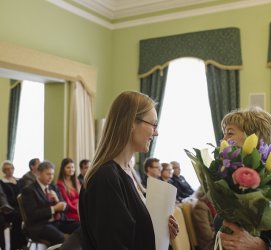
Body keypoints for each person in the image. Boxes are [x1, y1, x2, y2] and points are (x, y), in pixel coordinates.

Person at [79, 91, 179, 250]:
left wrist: (161, 233)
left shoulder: (129, 172)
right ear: (132, 122)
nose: (156, 132)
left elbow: (133, 231)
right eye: (153, 124)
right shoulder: (105, 178)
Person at [219, 106, 271, 250]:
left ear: (255, 137)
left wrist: (261, 247)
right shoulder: (229, 180)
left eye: (229, 133)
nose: (223, 139)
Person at [22, 161, 80, 246]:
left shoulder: (53, 187)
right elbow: (33, 214)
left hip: (58, 222)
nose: (51, 177)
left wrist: (57, 200)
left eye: (52, 174)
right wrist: (54, 209)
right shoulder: (29, 190)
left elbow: (66, 207)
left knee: (82, 227)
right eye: (48, 174)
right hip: (40, 225)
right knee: (60, 238)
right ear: (39, 173)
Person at [0, 160, 27, 250]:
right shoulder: (1, 182)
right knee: (17, 216)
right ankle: (17, 245)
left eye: (11, 168)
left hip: (21, 206)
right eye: (7, 169)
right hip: (9, 208)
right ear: (4, 171)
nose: (10, 170)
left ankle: (23, 242)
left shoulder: (19, 180)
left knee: (28, 214)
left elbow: (24, 194)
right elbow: (3, 198)